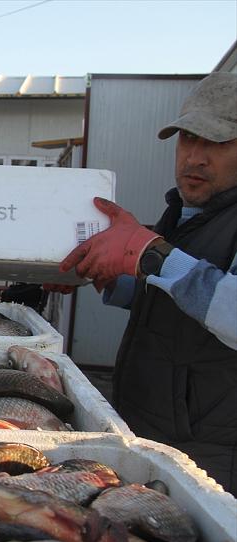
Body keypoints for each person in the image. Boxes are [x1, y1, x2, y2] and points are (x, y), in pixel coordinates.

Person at [54, 72, 237, 493]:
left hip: (212, 460)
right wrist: (109, 275)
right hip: (150, 430)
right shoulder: (190, 214)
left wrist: (150, 252)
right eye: (188, 139)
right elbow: (180, 303)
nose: (195, 158)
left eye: (218, 143)